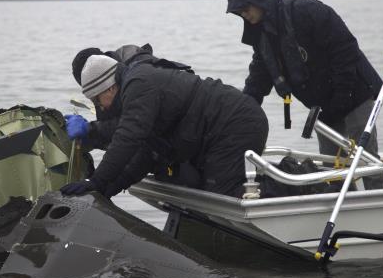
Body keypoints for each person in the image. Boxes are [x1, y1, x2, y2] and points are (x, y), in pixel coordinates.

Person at [226, 0, 383, 189]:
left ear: (259, 1)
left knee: (367, 160)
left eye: (245, 8)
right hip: (323, 105)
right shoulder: (261, 35)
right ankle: (345, 210)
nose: (244, 15)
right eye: (239, 12)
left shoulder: (306, 11)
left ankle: (378, 207)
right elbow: (258, 77)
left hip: (355, 93)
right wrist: (243, 109)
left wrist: (342, 96)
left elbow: (345, 50)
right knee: (332, 169)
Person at [60, 54, 269, 198]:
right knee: (208, 189)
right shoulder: (135, 92)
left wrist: (96, 181)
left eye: (97, 100)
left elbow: (127, 138)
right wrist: (106, 190)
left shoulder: (138, 84)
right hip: (222, 130)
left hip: (236, 123)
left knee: (224, 195)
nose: (100, 108)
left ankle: (293, 188)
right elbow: (146, 155)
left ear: (109, 88)